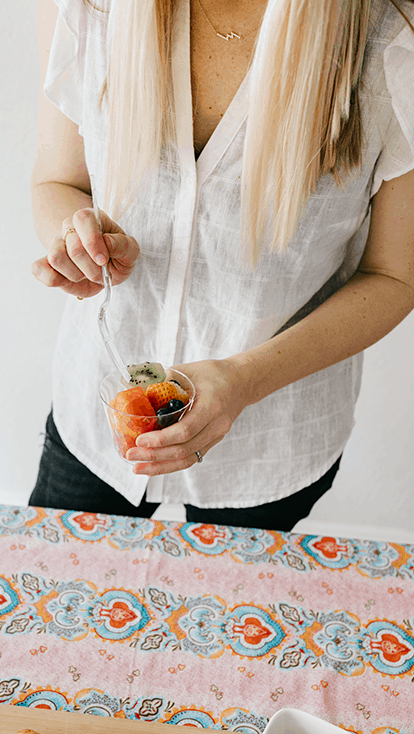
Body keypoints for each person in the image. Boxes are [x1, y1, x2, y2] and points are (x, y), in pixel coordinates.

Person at [29, 0, 414, 530]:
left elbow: (397, 277)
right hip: (97, 420)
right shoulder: (98, 7)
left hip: (270, 445)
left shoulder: (395, 45)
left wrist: (242, 381)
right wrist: (73, 238)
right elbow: (58, 181)